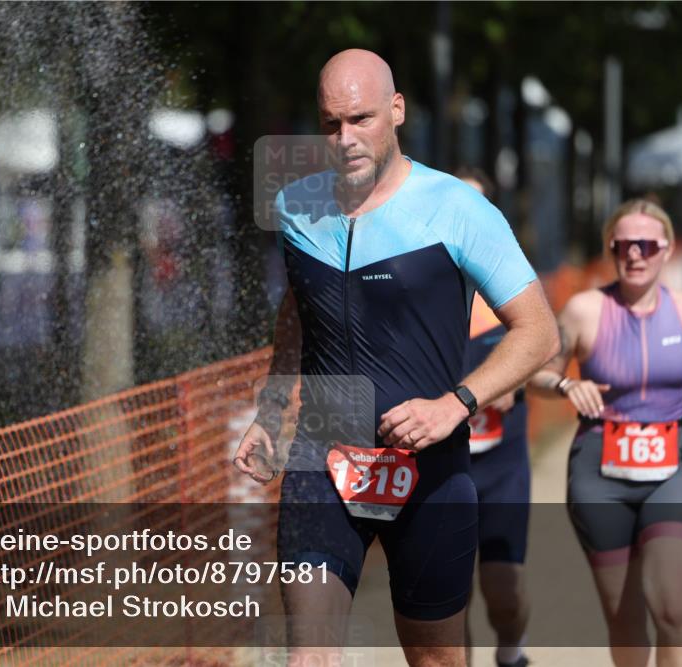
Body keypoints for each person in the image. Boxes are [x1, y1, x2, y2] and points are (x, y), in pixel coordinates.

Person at [233, 49, 559, 667]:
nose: (346, 139)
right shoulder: (296, 206)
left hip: (428, 469)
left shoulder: (457, 208)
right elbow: (298, 312)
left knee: (435, 659)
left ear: (397, 111)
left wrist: (455, 405)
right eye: (332, 124)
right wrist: (272, 409)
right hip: (322, 458)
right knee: (308, 657)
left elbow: (539, 332)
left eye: (362, 119)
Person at [529, 199, 682, 667]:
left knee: (671, 604)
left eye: (647, 245)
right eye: (624, 245)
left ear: (667, 249)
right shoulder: (584, 309)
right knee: (624, 615)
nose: (635, 254)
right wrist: (570, 384)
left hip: (675, 463)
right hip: (600, 471)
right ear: (610, 248)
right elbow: (537, 373)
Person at [456, 167, 531, 667]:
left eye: (476, 206)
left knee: (503, 593)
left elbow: (549, 342)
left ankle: (511, 651)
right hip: (440, 463)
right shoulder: (416, 280)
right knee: (445, 599)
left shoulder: (509, 279)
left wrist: (519, 377)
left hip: (500, 461)